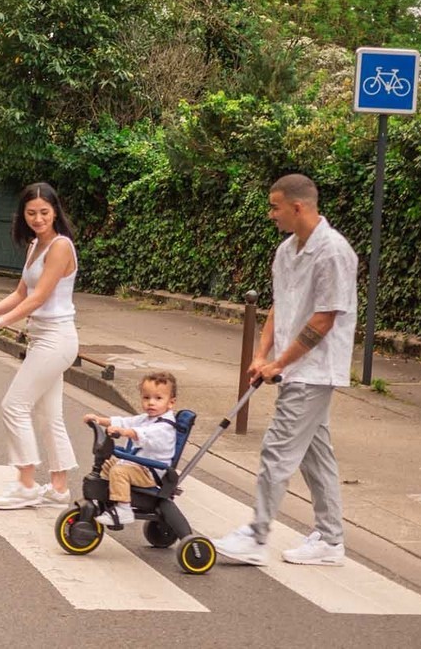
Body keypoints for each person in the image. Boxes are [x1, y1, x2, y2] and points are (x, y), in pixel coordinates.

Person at [213, 173, 358, 567]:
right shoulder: (286, 251)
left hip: (315, 371)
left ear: (297, 207)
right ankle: (330, 539)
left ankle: (257, 535)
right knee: (315, 455)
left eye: (275, 207)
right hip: (295, 369)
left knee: (277, 449)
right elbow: (281, 305)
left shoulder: (334, 252)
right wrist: (261, 355)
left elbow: (324, 319)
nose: (270, 214)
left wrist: (280, 362)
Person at [0, 182, 79, 510]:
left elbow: (40, 296)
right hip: (41, 338)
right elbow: (20, 293)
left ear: (55, 212)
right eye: (31, 213)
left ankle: (26, 484)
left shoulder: (60, 246)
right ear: (23, 215)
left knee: (14, 405)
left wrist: (2, 322)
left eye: (44, 212)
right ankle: (58, 490)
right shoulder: (35, 246)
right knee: (49, 415)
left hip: (57, 338)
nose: (38, 219)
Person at [84, 371, 180, 527]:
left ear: (171, 402)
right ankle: (110, 497)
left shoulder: (165, 426)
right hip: (138, 466)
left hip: (150, 472)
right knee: (107, 464)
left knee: (119, 471)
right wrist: (99, 420)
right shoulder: (146, 418)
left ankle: (123, 509)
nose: (151, 403)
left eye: (158, 398)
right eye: (146, 398)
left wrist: (124, 432)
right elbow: (125, 422)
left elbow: (142, 434)